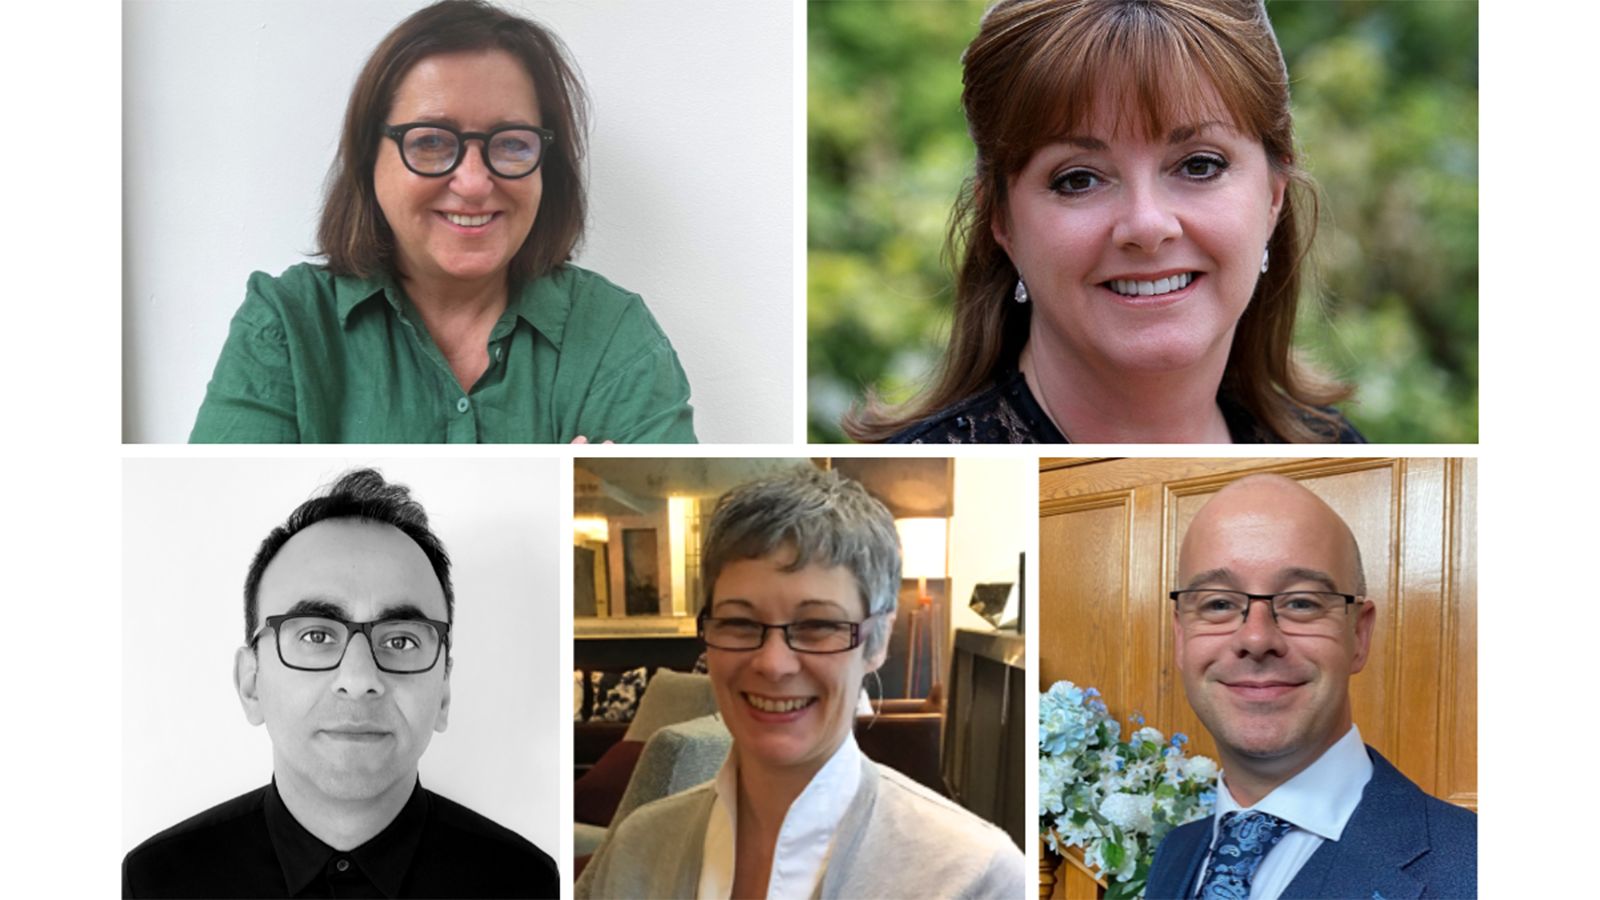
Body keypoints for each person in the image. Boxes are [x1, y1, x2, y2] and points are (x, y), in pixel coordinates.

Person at [846, 0, 1364, 444]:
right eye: (1078, 179)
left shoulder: (1337, 444)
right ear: (1001, 221)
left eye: (1199, 165)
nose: (1146, 224)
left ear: (1273, 197)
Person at [190, 0, 695, 443]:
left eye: (512, 143)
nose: (474, 182)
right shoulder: (284, 326)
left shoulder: (612, 333)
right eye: (431, 141)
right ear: (369, 157)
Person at [576, 468, 1026, 898]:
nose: (773, 664)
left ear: (877, 641)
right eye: (738, 622)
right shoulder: (636, 848)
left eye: (817, 625)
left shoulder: (973, 876)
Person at [122, 469, 560, 898]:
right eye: (316, 636)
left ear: (443, 689)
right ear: (251, 683)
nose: (359, 679)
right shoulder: (157, 882)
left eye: (401, 639)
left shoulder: (526, 883)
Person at [1145, 474, 1474, 899]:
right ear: (1181, 636)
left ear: (1359, 635)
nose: (1257, 639)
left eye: (1301, 603)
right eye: (1219, 604)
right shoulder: (1177, 852)